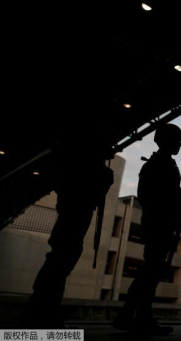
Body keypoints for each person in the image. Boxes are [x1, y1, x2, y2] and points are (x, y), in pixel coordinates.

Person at [20, 130, 114, 329]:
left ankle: (40, 312)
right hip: (73, 218)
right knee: (59, 263)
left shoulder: (79, 167)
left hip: (73, 218)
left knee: (60, 262)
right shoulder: (88, 169)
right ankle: (42, 313)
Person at [112, 123, 181, 335]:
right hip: (158, 222)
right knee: (151, 271)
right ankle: (130, 315)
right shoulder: (157, 165)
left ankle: (139, 316)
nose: (180, 143)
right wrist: (176, 202)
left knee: (153, 271)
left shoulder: (165, 164)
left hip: (162, 221)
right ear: (164, 140)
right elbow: (148, 197)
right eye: (176, 139)